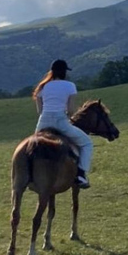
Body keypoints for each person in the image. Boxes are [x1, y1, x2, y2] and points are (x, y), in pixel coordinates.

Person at [32, 59, 93, 189]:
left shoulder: (42, 87)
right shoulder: (70, 86)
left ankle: (29, 176)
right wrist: (68, 117)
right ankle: (81, 175)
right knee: (87, 143)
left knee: (31, 147)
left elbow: (40, 111)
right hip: (60, 121)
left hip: (43, 121)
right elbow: (71, 110)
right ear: (64, 72)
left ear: (52, 72)